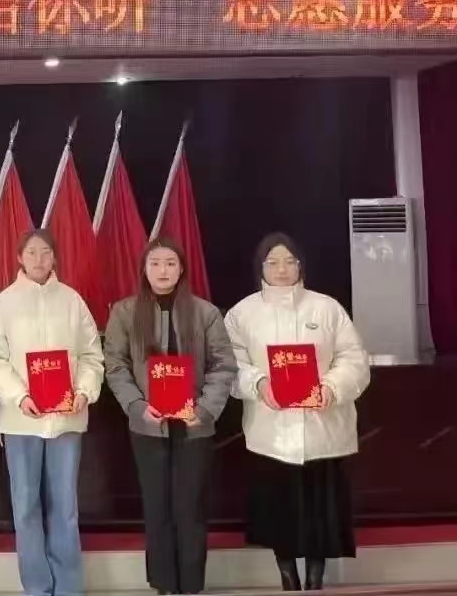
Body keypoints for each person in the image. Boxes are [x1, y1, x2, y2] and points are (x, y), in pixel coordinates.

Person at [225, 233, 370, 592]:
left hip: (323, 430)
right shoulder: (242, 314)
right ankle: (288, 579)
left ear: (301, 265)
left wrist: (331, 388)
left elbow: (354, 359)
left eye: (290, 261)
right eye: (273, 262)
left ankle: (316, 581)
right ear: (260, 268)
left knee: (321, 515)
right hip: (270, 434)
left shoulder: (327, 308)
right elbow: (230, 364)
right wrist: (260, 384)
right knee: (281, 515)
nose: (282, 269)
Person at [103, 237, 237, 596]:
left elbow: (224, 366)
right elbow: (115, 366)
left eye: (170, 263)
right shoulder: (125, 312)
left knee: (190, 508)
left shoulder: (205, 313)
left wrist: (205, 409)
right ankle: (163, 584)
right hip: (148, 426)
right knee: (157, 507)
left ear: (182, 270)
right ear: (144, 270)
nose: (163, 271)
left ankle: (191, 586)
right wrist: (136, 405)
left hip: (194, 426)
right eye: (155, 264)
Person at [0, 229, 105, 596]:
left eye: (45, 252)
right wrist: (18, 396)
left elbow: (92, 355)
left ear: (55, 258)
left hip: (66, 419)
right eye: (31, 252)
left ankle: (68, 587)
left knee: (65, 506)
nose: (39, 259)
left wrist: (84, 391)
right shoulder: (4, 304)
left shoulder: (72, 301)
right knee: (26, 507)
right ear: (19, 258)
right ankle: (37, 586)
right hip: (22, 421)